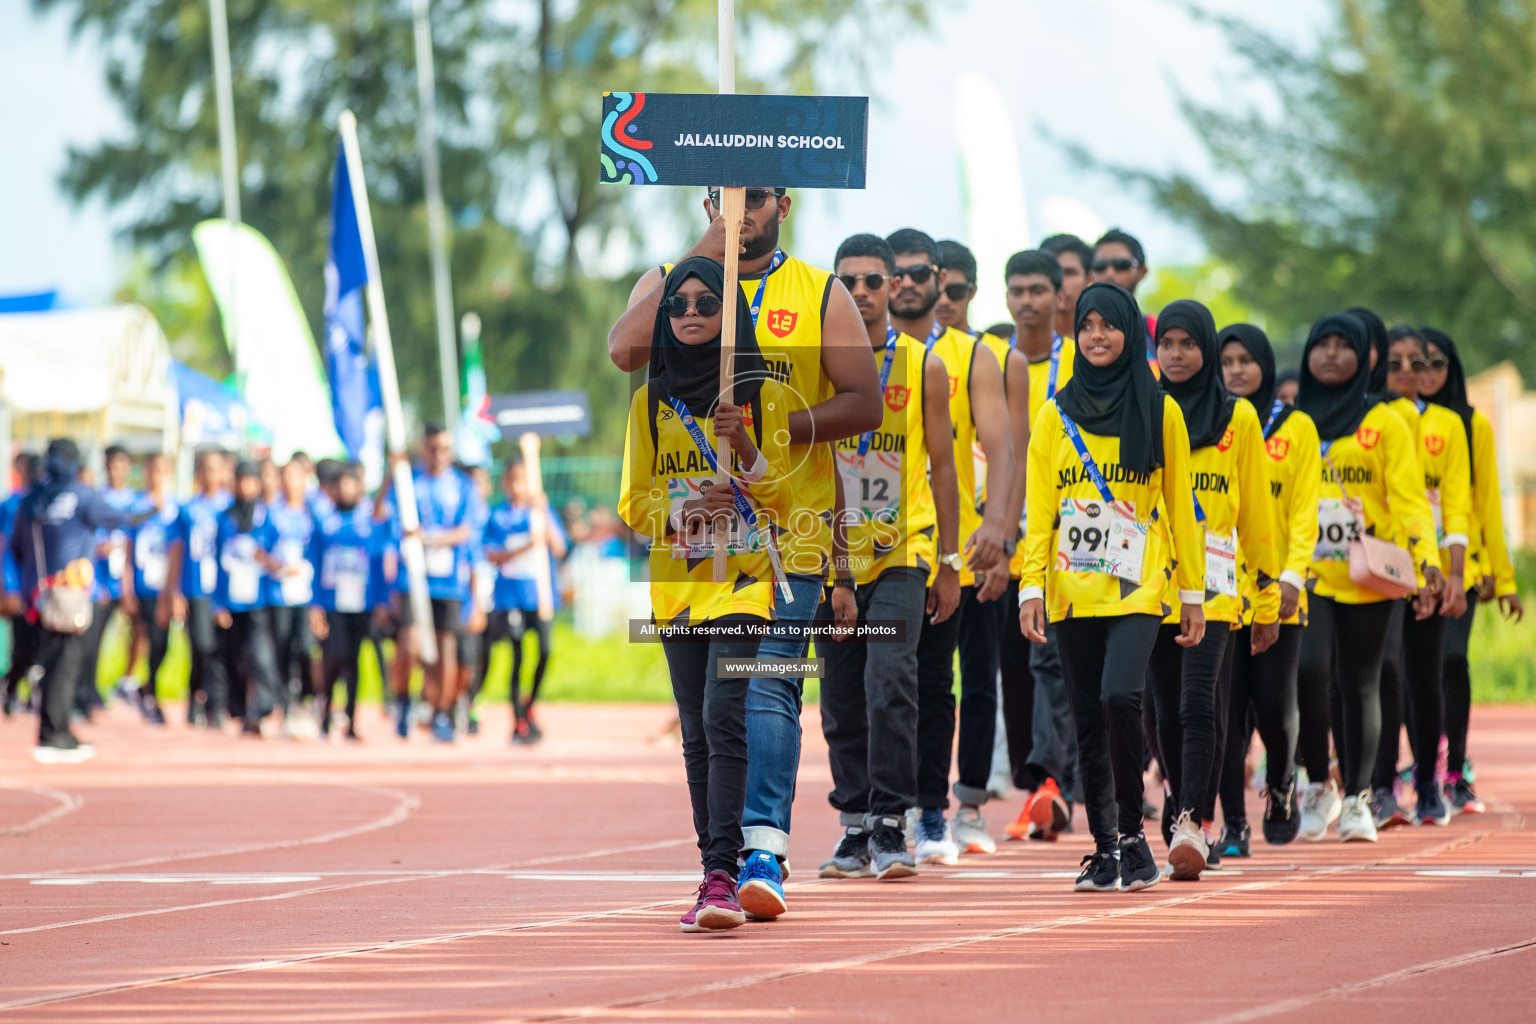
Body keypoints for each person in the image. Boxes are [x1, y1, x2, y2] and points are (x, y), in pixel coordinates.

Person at [607, 185, 882, 919]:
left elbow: (865, 401)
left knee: (765, 686)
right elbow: (624, 350)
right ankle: (721, 861)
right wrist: (708, 255)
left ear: (783, 204)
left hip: (788, 535)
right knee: (704, 715)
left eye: (753, 198)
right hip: (690, 565)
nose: (741, 209)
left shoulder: (820, 292)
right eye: (725, 197)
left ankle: (760, 848)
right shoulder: (669, 279)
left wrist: (766, 436)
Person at [616, 256, 796, 932]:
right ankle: (710, 868)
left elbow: (781, 492)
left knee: (725, 712)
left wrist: (741, 445)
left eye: (706, 303)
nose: (691, 314)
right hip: (679, 587)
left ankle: (725, 874)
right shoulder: (648, 404)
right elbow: (631, 501)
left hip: (745, 582)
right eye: (680, 305)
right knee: (696, 732)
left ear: (730, 315)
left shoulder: (760, 395)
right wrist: (678, 512)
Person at [1019, 282, 1205, 893]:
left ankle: (1132, 832)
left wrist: (1193, 594)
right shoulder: (1055, 414)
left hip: (1139, 589)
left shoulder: (1161, 410)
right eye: (1087, 325)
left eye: (1109, 325)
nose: (1097, 336)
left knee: (1121, 697)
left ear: (1130, 333)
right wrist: (1031, 588)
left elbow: (1182, 508)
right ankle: (1104, 850)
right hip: (1072, 592)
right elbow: (1039, 509)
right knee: (1087, 718)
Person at [816, 233, 959, 882]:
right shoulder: (816, 364)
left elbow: (944, 465)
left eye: (877, 280)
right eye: (851, 281)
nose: (867, 292)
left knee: (890, 680)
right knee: (842, 696)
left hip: (904, 548)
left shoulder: (924, 365)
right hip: (827, 551)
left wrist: (950, 561)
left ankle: (892, 820)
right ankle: (853, 825)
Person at [885, 227, 1014, 861]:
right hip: (878, 545)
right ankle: (887, 809)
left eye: (917, 271)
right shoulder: (856, 350)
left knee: (950, 680)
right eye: (896, 272)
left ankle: (948, 808)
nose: (905, 282)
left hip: (954, 547)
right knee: (889, 682)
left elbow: (1002, 445)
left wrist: (999, 532)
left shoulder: (974, 355)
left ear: (940, 279)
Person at [1145, 301, 1280, 880]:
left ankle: (1194, 821)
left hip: (1220, 588)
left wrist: (1269, 596)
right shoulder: (1142, 408)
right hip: (1153, 584)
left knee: (1201, 702)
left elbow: (1256, 512)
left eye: (1187, 344)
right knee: (1160, 714)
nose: (1175, 355)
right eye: (1166, 344)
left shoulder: (1239, 418)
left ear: (1205, 349)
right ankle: (1181, 802)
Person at [1293, 313, 1440, 843]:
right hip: (1305, 572)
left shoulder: (1386, 422)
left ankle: (1357, 798)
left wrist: (1428, 558)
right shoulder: (1293, 420)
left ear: (1364, 356)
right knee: (1308, 671)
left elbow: (1409, 498)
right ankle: (1317, 782)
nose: (1331, 354)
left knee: (1358, 682)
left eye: (1343, 346)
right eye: (1321, 345)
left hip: (1368, 574)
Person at [1215, 324, 1318, 850]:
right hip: (1218, 592)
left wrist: (1291, 578)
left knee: (1274, 706)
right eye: (1227, 360)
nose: (1236, 369)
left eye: (1245, 360)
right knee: (1226, 715)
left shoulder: (1295, 428)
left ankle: (1281, 784)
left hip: (1278, 591)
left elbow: (1304, 511)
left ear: (1265, 365)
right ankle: (1233, 823)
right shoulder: (1211, 422)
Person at [1367, 326, 1469, 828]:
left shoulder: (1449, 426)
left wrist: (1451, 573)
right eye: (1396, 362)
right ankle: (1381, 787)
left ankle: (1428, 783)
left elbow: (1456, 504)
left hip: (1426, 562)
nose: (1409, 372)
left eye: (1420, 362)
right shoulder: (1367, 419)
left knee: (1425, 677)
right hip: (1378, 564)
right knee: (1383, 673)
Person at [1418, 327, 1523, 814]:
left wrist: (1503, 578)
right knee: (1410, 672)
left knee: (1451, 660)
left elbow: (1486, 505)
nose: (1427, 373)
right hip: (1406, 572)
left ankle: (1456, 767)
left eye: (1438, 363)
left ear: (1452, 368)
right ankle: (1423, 761)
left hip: (1465, 566)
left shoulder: (1472, 424)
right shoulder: (1390, 423)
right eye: (1418, 364)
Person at [999, 249, 1078, 842]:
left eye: (1037, 290)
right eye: (1016, 290)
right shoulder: (991, 362)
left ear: (1059, 296)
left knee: (1056, 659)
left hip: (1072, 532)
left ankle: (1055, 782)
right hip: (1000, 534)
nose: (1026, 301)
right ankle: (1045, 782)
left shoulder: (1081, 361)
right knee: (1017, 663)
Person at [6, 439, 145, 761]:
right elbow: (124, 519)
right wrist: (153, 510)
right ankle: (56, 734)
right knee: (65, 665)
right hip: (69, 596)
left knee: (47, 660)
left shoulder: (30, 500)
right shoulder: (83, 496)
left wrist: (21, 588)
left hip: (37, 596)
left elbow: (14, 548)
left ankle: (53, 728)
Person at [383, 423, 485, 744]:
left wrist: (430, 537)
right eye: (433, 448)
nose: (439, 455)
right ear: (423, 448)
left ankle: (442, 713)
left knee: (446, 649)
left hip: (449, 580)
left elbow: (467, 530)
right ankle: (402, 701)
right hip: (414, 577)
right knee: (410, 641)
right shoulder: (409, 481)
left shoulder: (464, 486)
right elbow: (380, 514)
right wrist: (390, 473)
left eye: (445, 449)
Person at [482, 459, 569, 744]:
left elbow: (559, 548)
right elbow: (492, 555)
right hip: (511, 598)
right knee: (518, 657)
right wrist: (528, 545)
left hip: (541, 597)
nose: (518, 486)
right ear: (506, 483)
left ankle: (529, 706)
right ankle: (518, 720)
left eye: (524, 479)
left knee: (545, 651)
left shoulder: (540, 512)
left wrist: (542, 511)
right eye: (513, 479)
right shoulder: (498, 517)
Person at [308, 463, 389, 741]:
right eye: (340, 485)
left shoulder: (369, 523)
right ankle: (327, 711)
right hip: (333, 604)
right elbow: (316, 564)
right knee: (334, 658)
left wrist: (381, 602)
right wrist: (315, 603)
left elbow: (378, 566)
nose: (345, 489)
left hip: (361, 603)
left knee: (354, 662)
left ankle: (352, 720)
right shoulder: (325, 522)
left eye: (350, 484)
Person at [160, 449, 233, 727]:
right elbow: (176, 551)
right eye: (207, 469)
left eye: (217, 469)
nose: (212, 476)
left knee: (222, 648)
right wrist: (173, 592)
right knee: (202, 644)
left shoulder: (230, 507)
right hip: (197, 589)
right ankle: (196, 697)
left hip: (225, 590)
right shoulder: (188, 509)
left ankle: (216, 705)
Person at [75, 444, 142, 718]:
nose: (118, 471)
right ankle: (85, 693)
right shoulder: (96, 498)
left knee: (140, 634)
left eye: (122, 465)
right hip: (100, 584)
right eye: (113, 465)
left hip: (129, 582)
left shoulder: (136, 501)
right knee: (91, 641)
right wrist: (99, 549)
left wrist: (130, 585)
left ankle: (129, 683)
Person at [122, 452, 179, 724]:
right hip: (143, 586)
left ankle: (147, 686)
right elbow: (127, 549)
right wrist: (127, 587)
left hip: (165, 587)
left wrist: (174, 591)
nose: (157, 475)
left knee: (163, 641)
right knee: (143, 635)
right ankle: (147, 693)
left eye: (163, 470)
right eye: (153, 470)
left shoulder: (176, 508)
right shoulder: (137, 505)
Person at [266, 458, 318, 733]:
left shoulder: (314, 512)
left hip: (308, 595)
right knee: (282, 648)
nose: (291, 482)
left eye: (296, 476)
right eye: (285, 476)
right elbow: (259, 548)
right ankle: (285, 706)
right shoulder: (272, 513)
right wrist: (277, 567)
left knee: (307, 647)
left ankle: (307, 701)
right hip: (279, 593)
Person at [2, 453, 44, 716]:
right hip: (21, 588)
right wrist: (10, 588)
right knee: (23, 644)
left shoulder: (46, 501)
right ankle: (12, 687)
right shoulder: (11, 505)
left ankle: (35, 696)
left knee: (43, 644)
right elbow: (6, 549)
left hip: (44, 587)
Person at [1090, 229, 1154, 360]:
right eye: (1100, 266)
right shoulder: (1076, 335)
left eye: (1121, 265)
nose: (1109, 274)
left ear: (1142, 272)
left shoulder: (1159, 333)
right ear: (1090, 275)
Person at [1039, 234, 1094, 343]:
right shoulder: (1012, 346)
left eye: (1069, 273)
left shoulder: (1105, 341)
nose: (1060, 282)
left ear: (1089, 280)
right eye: (1052, 273)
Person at [934, 239, 978, 333]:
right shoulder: (902, 346)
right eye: (936, 291)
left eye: (955, 291)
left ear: (972, 292)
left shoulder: (996, 348)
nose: (944, 301)